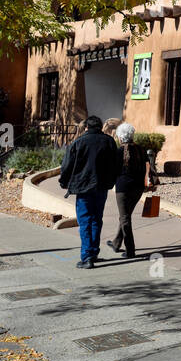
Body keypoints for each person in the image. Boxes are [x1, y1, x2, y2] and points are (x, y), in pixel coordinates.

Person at [58, 115, 119, 268]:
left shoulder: (78, 142)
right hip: (101, 186)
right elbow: (116, 164)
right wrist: (112, 181)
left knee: (85, 221)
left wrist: (63, 182)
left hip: (83, 186)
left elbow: (66, 165)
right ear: (100, 127)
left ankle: (87, 257)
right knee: (96, 219)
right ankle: (93, 252)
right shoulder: (109, 142)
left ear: (86, 127)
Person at [107, 123, 157, 259]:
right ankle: (116, 243)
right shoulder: (141, 149)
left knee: (125, 217)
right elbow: (148, 166)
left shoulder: (118, 152)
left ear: (120, 137)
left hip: (123, 188)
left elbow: (113, 171)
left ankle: (130, 250)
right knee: (126, 215)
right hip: (138, 188)